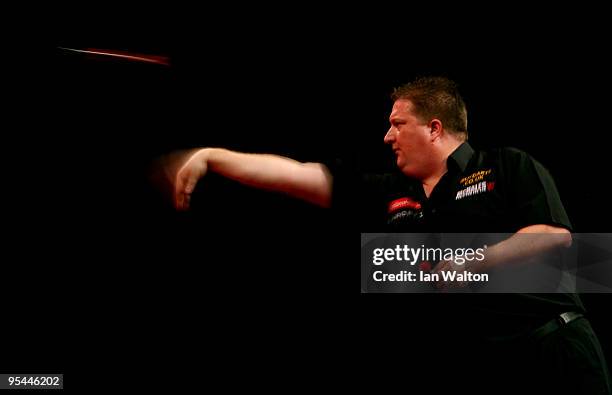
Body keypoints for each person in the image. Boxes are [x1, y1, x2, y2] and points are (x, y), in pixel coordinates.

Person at [173, 76, 611, 394]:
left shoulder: (508, 165)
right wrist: (215, 156)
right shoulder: (391, 194)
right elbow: (300, 175)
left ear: (435, 128)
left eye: (398, 123)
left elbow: (553, 237)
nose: (387, 136)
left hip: (554, 350)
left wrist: (469, 263)